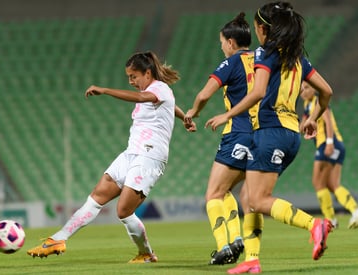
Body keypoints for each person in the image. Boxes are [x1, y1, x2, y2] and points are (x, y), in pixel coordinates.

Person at [27, 51, 196, 263]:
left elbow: (145, 98)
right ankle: (58, 239)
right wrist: (185, 118)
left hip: (150, 157)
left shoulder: (159, 88)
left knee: (124, 210)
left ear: (147, 72)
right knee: (97, 195)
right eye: (128, 77)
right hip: (131, 153)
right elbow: (170, 106)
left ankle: (146, 253)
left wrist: (105, 90)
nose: (131, 81)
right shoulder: (157, 93)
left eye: (133, 76)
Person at [202, 2, 333, 274]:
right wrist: (311, 118)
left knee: (258, 200)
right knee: (250, 197)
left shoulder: (265, 52)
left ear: (262, 29)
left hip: (269, 132)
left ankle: (315, 225)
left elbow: (259, 92)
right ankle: (251, 260)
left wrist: (228, 115)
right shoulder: (298, 58)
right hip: (290, 134)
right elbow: (327, 92)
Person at [184, 12, 255, 266]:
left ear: (231, 43)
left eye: (222, 42)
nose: (222, 46)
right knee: (225, 191)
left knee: (213, 194)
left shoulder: (232, 63)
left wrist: (194, 112)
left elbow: (204, 94)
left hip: (238, 132)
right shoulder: (262, 60)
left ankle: (223, 247)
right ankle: (236, 239)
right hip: (263, 135)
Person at [300, 81, 358, 229]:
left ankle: (331, 219)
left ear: (314, 88)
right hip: (336, 145)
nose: (304, 92)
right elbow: (301, 128)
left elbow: (328, 122)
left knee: (317, 182)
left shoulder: (318, 102)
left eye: (307, 88)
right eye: (301, 90)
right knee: (333, 185)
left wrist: (330, 142)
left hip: (328, 144)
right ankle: (354, 211)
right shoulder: (308, 107)